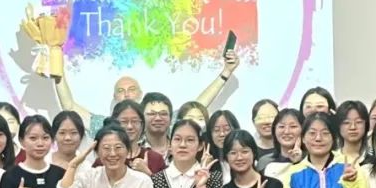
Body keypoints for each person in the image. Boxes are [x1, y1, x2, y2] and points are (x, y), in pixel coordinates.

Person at [52, 51, 240, 134]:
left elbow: (198, 105)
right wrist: (57, 72)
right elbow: (69, 107)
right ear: (114, 97)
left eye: (131, 90)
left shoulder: (159, 120)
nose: (126, 94)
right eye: (121, 91)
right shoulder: (106, 125)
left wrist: (225, 73)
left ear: (140, 95)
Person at [96, 100, 165, 175]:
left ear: (142, 125)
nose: (130, 126)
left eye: (134, 121)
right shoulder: (104, 160)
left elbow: (166, 183)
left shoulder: (155, 159)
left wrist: (147, 172)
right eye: (124, 122)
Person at [261, 108, 304, 181]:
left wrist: (298, 162)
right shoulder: (266, 163)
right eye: (281, 126)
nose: (286, 132)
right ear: (274, 130)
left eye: (293, 126)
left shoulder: (312, 161)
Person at [205, 110, 240, 184]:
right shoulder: (206, 162)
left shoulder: (243, 158)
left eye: (227, 129)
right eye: (216, 130)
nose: (222, 134)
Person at [335, 100, 369, 165]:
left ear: (366, 124)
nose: (353, 127)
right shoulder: (331, 160)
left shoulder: (375, 159)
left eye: (358, 122)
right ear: (338, 126)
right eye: (346, 122)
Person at [141, 92, 174, 160]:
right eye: (152, 114)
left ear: (170, 119)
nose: (158, 118)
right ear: (141, 118)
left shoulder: (179, 146)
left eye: (163, 114)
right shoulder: (134, 148)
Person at [251, 98, 279, 168]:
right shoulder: (249, 150)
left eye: (271, 117)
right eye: (261, 118)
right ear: (253, 122)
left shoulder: (289, 146)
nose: (267, 122)